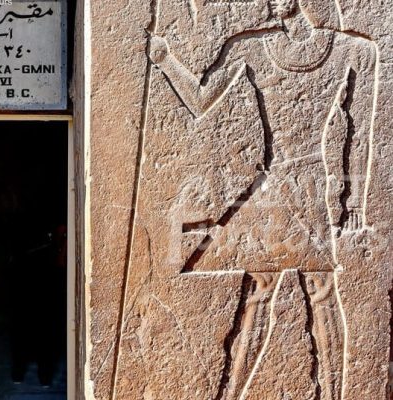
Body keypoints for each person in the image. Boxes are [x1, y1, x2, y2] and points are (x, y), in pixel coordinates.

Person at [148, 0, 375, 398]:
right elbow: (200, 101)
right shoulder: (251, 47)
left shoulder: (353, 49)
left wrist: (355, 201)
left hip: (310, 184)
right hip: (275, 184)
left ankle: (334, 391)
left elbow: (360, 134)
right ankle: (233, 392)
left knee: (318, 290)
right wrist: (166, 60)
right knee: (261, 292)